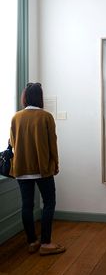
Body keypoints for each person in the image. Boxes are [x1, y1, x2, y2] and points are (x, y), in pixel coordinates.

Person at [10, 82, 65, 256]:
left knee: (27, 205)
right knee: (49, 203)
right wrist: (55, 164)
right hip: (43, 168)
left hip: (21, 167)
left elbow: (12, 143)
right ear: (40, 97)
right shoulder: (46, 117)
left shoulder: (16, 117)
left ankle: (32, 242)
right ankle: (46, 243)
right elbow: (52, 144)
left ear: (25, 97)